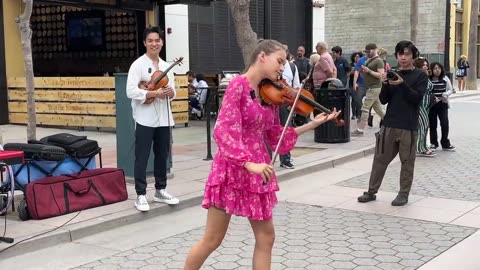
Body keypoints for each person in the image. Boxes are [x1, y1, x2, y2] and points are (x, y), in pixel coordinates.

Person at [183, 39, 341, 270]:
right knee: (213, 239)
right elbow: (224, 130)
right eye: (279, 61)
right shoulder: (238, 85)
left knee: (267, 237)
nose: (282, 68)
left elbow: (275, 135)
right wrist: (247, 163)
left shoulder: (270, 94)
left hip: (258, 170)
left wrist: (311, 124)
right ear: (262, 57)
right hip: (232, 167)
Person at [357, 40, 428, 206]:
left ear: (413, 56)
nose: (403, 57)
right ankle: (371, 192)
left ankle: (403, 194)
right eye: (400, 54)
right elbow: (384, 99)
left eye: (407, 54)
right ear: (396, 56)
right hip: (389, 124)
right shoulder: (392, 73)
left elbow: (416, 98)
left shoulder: (420, 75)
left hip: (408, 126)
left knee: (407, 162)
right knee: (380, 159)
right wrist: (385, 83)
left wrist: (402, 84)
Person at [126, 26, 180, 212]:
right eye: (150, 41)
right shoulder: (138, 65)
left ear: (162, 43)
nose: (154, 43)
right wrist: (152, 92)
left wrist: (170, 93)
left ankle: (160, 190)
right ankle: (141, 194)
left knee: (162, 155)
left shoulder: (166, 67)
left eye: (157, 40)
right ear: (144, 43)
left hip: (164, 118)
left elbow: (172, 90)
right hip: (144, 117)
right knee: (142, 156)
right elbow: (130, 90)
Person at [351, 43, 385, 136]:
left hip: (374, 87)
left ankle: (360, 130)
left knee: (365, 107)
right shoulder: (369, 60)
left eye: (368, 51)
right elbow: (366, 74)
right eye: (366, 51)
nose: (367, 53)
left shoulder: (379, 61)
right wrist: (364, 72)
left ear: (374, 50)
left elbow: (381, 75)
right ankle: (391, 125)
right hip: (371, 87)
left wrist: (368, 71)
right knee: (378, 109)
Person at [279, 51, 300, 169]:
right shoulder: (274, 67)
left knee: (285, 131)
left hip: (285, 103)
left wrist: (292, 103)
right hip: (272, 101)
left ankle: (285, 158)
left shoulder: (292, 67)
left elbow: (296, 85)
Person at [429, 62, 455, 151]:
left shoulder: (445, 78)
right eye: (435, 68)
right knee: (432, 125)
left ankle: (445, 143)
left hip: (442, 104)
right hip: (432, 105)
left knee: (444, 123)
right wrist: (433, 97)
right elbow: (427, 91)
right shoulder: (429, 79)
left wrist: (445, 94)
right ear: (431, 70)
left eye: (439, 68)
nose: (437, 70)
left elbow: (451, 90)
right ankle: (433, 143)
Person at [413, 58, 436, 157]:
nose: (426, 67)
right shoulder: (418, 77)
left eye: (426, 65)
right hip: (420, 104)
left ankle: (423, 146)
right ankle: (419, 148)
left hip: (427, 104)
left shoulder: (426, 76)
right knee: (423, 125)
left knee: (425, 126)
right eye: (423, 65)